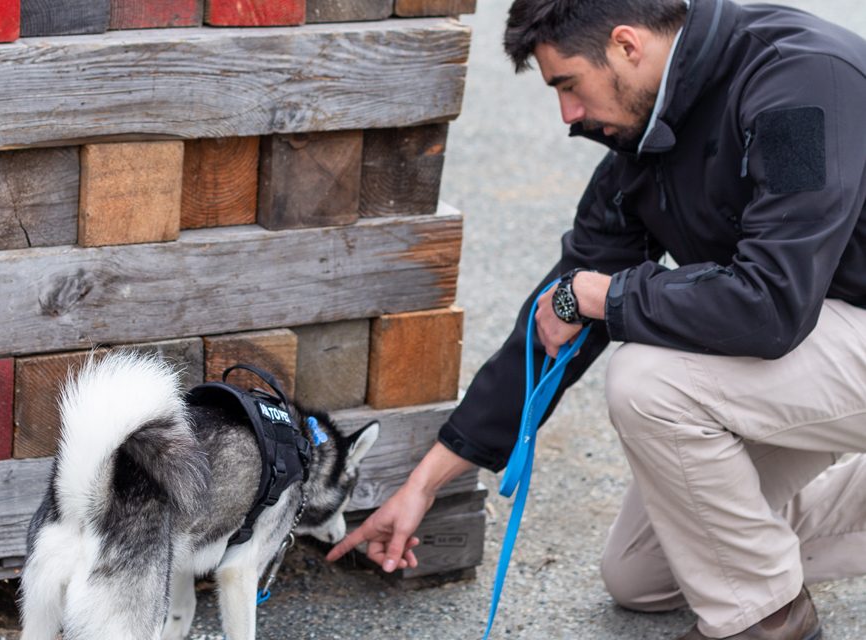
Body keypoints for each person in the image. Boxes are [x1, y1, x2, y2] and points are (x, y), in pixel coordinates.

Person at [327, 0, 866, 637]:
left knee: (651, 381)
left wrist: (602, 297)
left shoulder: (802, 81)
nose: (568, 114)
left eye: (568, 85)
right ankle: (755, 575)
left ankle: (768, 618)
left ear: (626, 46)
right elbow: (553, 319)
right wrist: (424, 482)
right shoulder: (649, 131)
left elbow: (770, 304)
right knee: (640, 575)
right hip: (814, 344)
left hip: (810, 323)